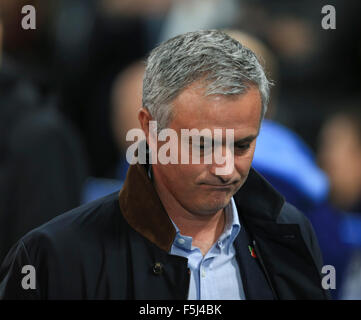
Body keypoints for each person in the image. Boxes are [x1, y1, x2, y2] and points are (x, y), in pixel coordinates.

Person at [0, 30, 330, 299]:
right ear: (149, 128)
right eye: (203, 145)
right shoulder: (56, 255)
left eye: (242, 145)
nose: (226, 169)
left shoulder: (290, 233)